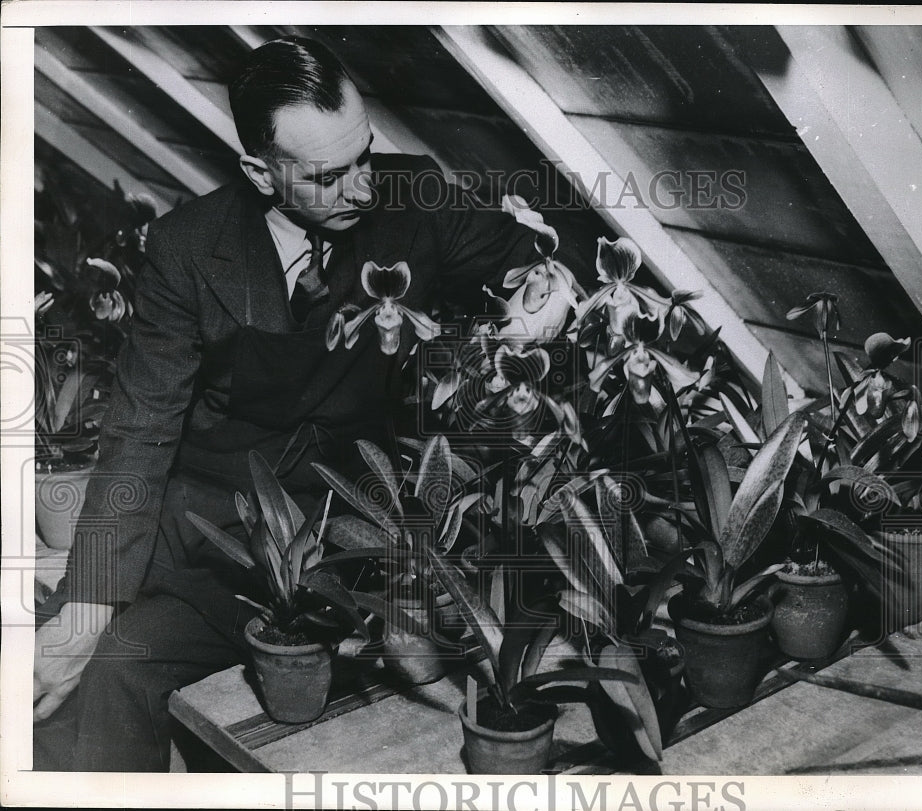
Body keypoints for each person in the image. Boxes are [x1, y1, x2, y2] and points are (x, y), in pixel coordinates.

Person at [32, 36, 557, 771]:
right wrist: (86, 605)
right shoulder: (189, 246)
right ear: (260, 171)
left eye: (366, 156)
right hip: (215, 533)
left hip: (357, 535)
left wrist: (547, 293)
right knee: (67, 668)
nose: (365, 190)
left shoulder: (415, 196)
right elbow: (140, 430)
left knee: (124, 666)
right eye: (329, 176)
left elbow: (532, 266)